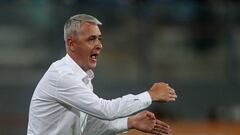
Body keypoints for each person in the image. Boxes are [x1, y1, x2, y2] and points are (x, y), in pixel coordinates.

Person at [27, 14, 177, 135]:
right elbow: (105, 110)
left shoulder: (82, 77)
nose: (99, 45)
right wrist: (150, 95)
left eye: (99, 38)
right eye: (91, 39)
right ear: (71, 44)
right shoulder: (62, 76)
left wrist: (131, 122)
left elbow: (86, 129)